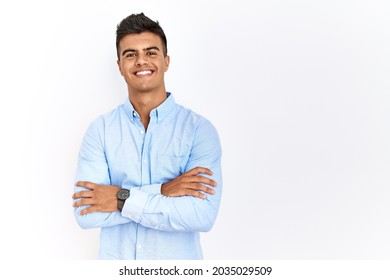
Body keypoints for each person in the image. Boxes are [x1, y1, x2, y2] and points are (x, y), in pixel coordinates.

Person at [72, 13, 222, 260]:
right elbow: (87, 212)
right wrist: (163, 190)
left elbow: (201, 215)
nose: (141, 61)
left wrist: (119, 197)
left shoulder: (199, 130)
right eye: (131, 54)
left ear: (166, 61)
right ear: (119, 66)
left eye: (151, 53)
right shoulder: (100, 130)